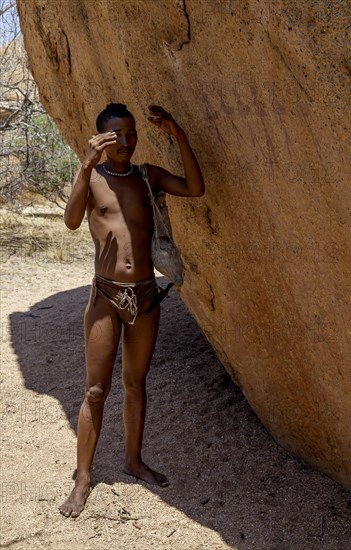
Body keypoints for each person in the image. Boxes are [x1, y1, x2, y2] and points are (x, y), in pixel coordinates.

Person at [59, 103, 205, 518]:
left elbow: (196, 189)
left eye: (131, 133)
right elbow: (71, 222)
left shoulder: (147, 177)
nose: (125, 141)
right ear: (101, 139)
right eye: (115, 135)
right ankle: (83, 478)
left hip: (144, 296)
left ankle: (133, 461)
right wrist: (85, 166)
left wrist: (180, 135)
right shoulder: (94, 180)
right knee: (94, 390)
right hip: (106, 296)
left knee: (136, 384)